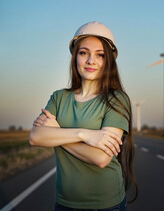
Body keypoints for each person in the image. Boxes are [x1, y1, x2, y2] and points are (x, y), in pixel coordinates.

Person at [29, 21, 137, 211]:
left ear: (108, 61)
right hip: (64, 203)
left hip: (106, 205)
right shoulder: (59, 97)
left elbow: (101, 158)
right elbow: (35, 137)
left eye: (100, 55)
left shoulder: (117, 99)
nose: (90, 61)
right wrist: (84, 135)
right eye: (83, 53)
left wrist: (57, 133)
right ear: (75, 57)